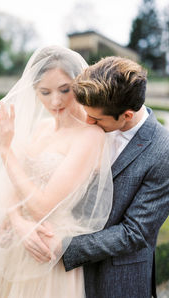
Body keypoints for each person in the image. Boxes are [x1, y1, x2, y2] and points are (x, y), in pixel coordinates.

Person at [0, 46, 113, 297]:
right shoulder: (42, 129)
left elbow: (44, 207)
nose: (55, 101)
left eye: (64, 89)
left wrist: (5, 150)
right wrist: (17, 221)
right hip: (20, 242)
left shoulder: (90, 136)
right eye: (45, 92)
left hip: (49, 249)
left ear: (79, 85)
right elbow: (16, 183)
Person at [61, 56, 169, 298]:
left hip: (116, 281)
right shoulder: (90, 119)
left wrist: (62, 247)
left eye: (97, 119)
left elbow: (135, 232)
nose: (87, 122)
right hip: (65, 280)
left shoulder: (164, 151)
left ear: (127, 115)